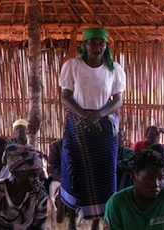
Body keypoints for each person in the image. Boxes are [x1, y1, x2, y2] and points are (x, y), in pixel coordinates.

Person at [59, 27, 126, 228]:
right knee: (73, 170)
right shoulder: (73, 66)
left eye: (102, 44)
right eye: (93, 43)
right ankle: (71, 219)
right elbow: (65, 97)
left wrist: (97, 115)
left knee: (104, 174)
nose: (97, 47)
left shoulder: (114, 69)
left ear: (106, 46)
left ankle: (97, 222)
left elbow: (118, 100)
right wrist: (85, 116)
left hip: (103, 127)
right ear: (84, 45)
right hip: (78, 125)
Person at [104, 149, 164, 229]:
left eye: (161, 178)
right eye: (150, 178)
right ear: (134, 175)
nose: (156, 184)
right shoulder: (117, 203)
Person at [0, 144, 48, 229]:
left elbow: (39, 227)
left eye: (38, 175)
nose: (37, 181)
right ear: (15, 173)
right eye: (31, 176)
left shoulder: (39, 194)